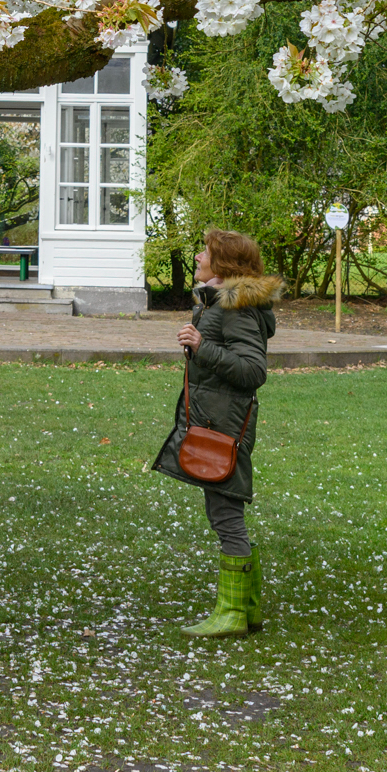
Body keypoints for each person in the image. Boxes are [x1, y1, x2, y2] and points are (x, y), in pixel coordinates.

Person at [151, 226, 279, 636]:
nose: (197, 258)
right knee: (222, 509)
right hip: (213, 419)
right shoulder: (216, 301)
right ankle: (247, 610)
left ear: (222, 263)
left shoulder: (235, 307)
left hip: (224, 425)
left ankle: (232, 615)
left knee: (225, 513)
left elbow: (253, 371)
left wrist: (202, 345)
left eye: (204, 253)